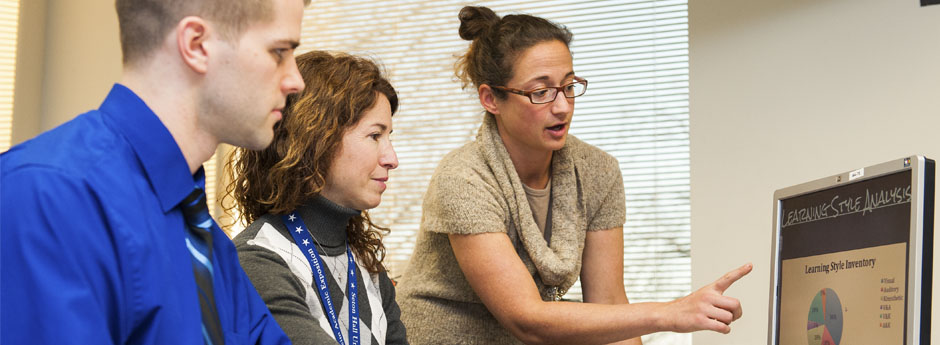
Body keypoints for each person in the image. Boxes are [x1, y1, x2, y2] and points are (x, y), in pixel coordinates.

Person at [396, 6, 752, 344]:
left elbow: (610, 302)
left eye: (568, 86)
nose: (563, 106)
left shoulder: (598, 171)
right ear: (490, 99)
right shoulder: (463, 180)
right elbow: (527, 319)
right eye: (541, 92)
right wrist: (668, 313)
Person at [0, 0, 308, 343]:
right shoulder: (45, 197)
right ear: (196, 45)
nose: (296, 81)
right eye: (279, 52)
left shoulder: (202, 233)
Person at [225, 50, 408, 345]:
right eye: (375, 136)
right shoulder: (258, 260)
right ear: (316, 141)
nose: (392, 158)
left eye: (389, 138)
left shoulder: (365, 264)